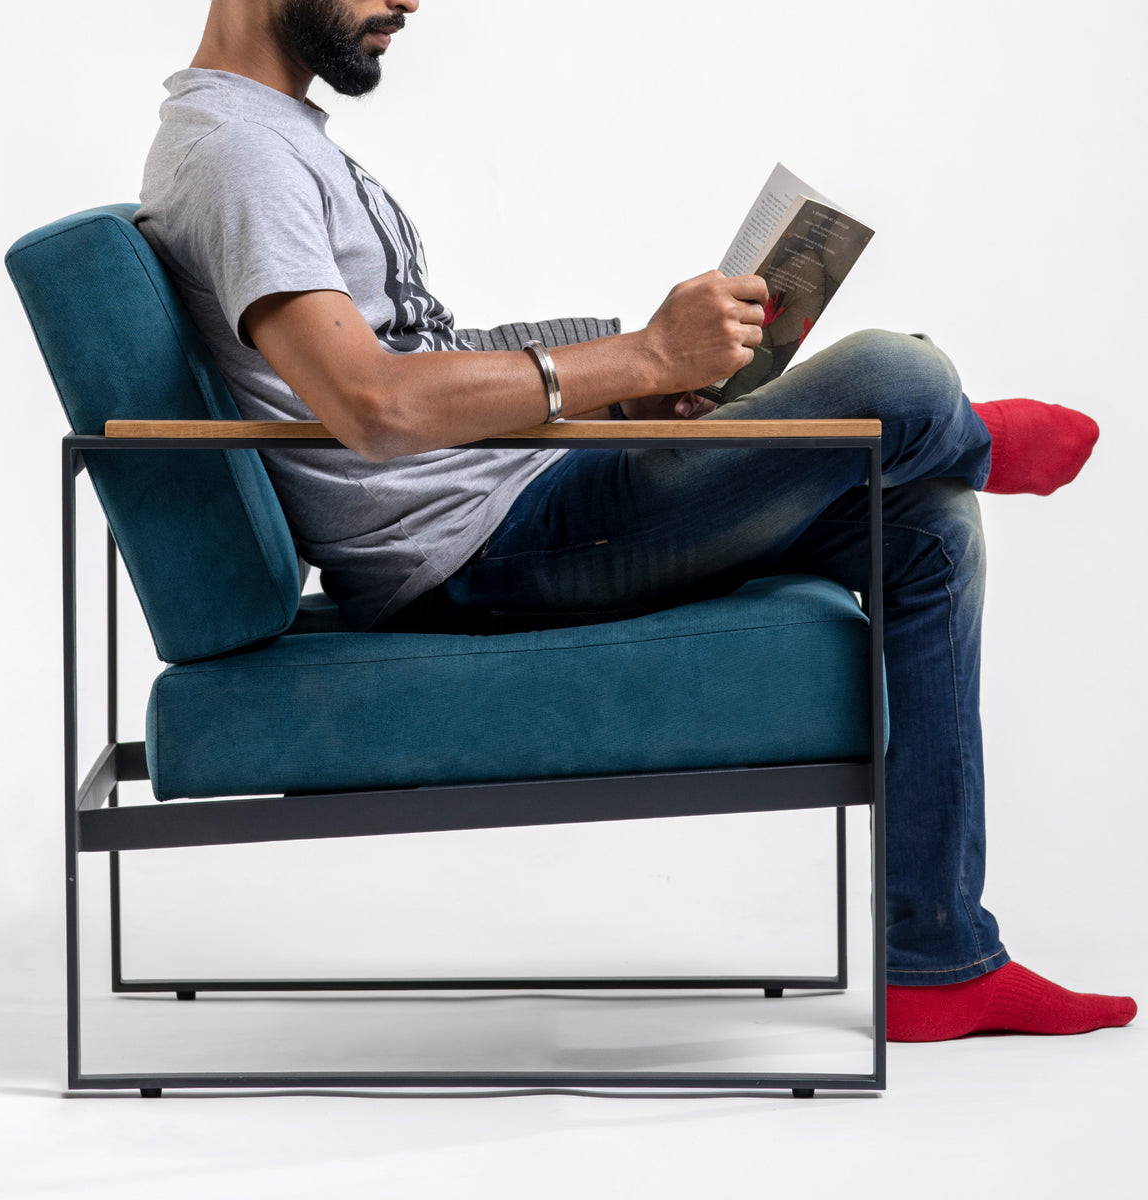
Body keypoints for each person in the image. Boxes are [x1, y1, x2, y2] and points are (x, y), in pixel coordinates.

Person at [135, 0, 1136, 1041]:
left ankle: (937, 960)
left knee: (927, 529)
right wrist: (645, 357)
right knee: (899, 376)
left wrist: (626, 389)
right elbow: (372, 404)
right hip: (477, 549)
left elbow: (416, 353)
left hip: (521, 490)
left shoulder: (266, 134)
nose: (412, 1)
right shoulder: (238, 153)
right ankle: (967, 433)